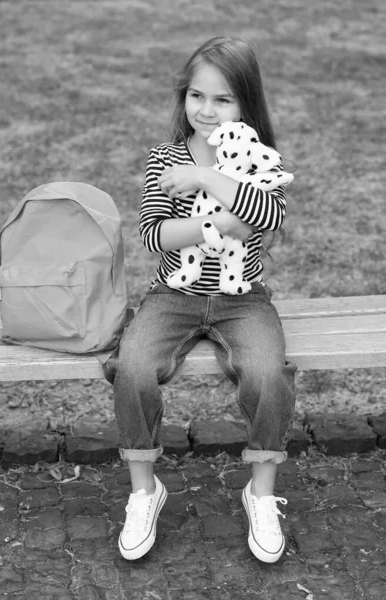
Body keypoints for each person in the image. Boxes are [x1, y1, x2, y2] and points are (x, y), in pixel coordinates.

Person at [111, 36, 297, 564]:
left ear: (247, 103)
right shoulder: (163, 158)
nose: (207, 111)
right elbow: (154, 235)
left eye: (223, 100)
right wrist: (220, 216)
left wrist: (201, 179)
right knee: (134, 367)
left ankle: (260, 492)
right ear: (183, 98)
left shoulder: (261, 159)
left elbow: (267, 218)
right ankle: (144, 490)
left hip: (245, 300)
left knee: (265, 372)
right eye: (197, 96)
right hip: (173, 295)